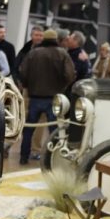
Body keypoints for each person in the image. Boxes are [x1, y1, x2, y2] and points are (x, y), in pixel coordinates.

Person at [18, 28, 75, 165]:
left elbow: (22, 72)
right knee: (54, 132)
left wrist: (28, 85)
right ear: (56, 39)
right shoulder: (63, 54)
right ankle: (52, 160)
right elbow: (70, 75)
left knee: (28, 130)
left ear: (44, 39)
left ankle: (23, 157)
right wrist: (62, 88)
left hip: (35, 98)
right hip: (53, 99)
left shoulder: (33, 53)